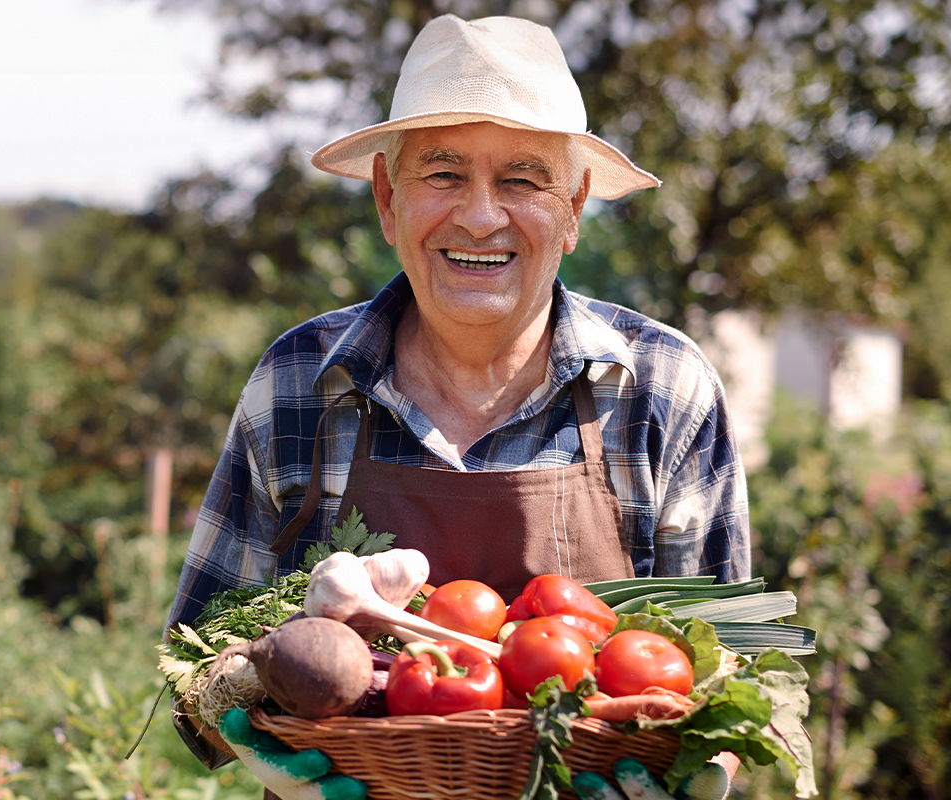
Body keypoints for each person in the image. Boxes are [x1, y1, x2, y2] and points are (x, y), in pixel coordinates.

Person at [165, 13, 751, 794]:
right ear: (387, 199)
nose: (480, 216)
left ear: (574, 207)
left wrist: (696, 783)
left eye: (522, 178)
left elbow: (736, 683)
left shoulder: (665, 389)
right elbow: (198, 666)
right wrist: (258, 747)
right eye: (443, 174)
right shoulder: (297, 384)